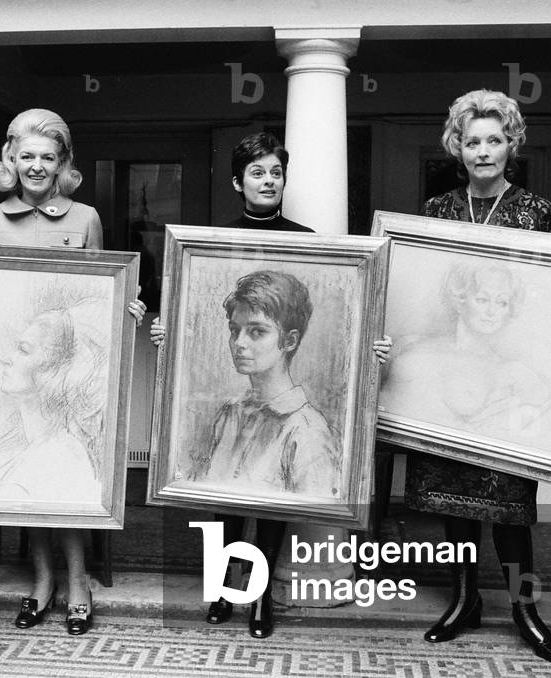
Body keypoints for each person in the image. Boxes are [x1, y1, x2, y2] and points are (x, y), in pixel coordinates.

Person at [396, 90, 551, 664]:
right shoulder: (438, 212)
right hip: (450, 378)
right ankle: (462, 600)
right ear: (458, 146)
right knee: (454, 502)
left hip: (508, 373)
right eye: (472, 140)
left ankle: (526, 609)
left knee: (510, 508)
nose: (483, 151)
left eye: (494, 140)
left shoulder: (537, 212)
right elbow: (419, 292)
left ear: (511, 145)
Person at [150, 132, 391, 638]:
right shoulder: (217, 240)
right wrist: (166, 330)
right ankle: (223, 587)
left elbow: (350, 303)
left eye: (275, 172)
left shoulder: (305, 238)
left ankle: (259, 597)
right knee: (226, 500)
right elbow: (184, 296)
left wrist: (369, 341)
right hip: (243, 410)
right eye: (257, 173)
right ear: (239, 182)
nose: (268, 181)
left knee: (274, 503)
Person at [0, 108, 146, 636]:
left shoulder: (86, 217)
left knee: (65, 480)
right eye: (27, 157)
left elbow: (102, 290)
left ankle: (79, 582)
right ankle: (42, 583)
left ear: (63, 163)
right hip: (16, 369)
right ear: (10, 160)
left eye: (48, 157)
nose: (37, 167)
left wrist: (125, 306)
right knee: (26, 481)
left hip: (64, 375)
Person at [381, 261, 551, 449]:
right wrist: (370, 356)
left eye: (502, 302)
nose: (492, 312)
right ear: (459, 300)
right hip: (408, 460)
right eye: (482, 299)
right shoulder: (411, 347)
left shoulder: (513, 372)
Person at [188, 270, 342, 498]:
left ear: (289, 341)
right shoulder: (231, 414)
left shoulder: (306, 430)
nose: (239, 343)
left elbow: (314, 505)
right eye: (234, 330)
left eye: (257, 331)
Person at [0, 297, 108, 506]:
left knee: (67, 533)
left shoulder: (61, 454)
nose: (7, 358)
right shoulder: (12, 439)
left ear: (52, 368)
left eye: (24, 350)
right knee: (36, 532)